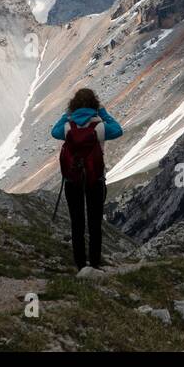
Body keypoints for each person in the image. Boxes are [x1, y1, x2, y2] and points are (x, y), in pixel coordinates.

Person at [51, 88, 122, 270]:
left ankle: (80, 265)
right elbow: (118, 130)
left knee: (77, 223)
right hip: (95, 179)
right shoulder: (99, 126)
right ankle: (95, 264)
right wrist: (103, 112)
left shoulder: (68, 127)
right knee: (95, 222)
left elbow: (54, 131)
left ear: (73, 105)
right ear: (94, 104)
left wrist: (67, 115)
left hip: (72, 181)